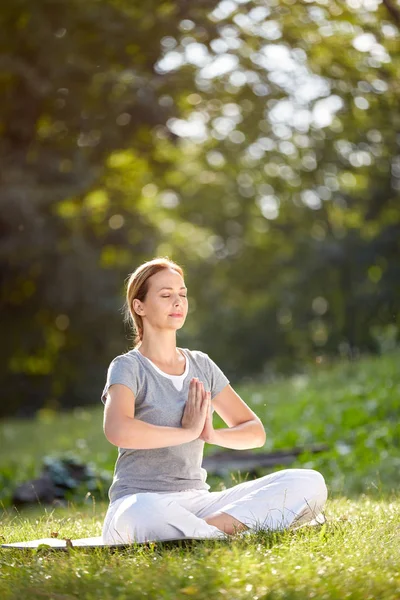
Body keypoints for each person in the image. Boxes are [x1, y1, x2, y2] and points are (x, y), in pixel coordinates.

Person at [101, 257, 327, 544]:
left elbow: (254, 433)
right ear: (139, 306)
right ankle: (226, 532)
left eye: (182, 294)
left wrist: (211, 434)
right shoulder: (128, 366)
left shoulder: (201, 365)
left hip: (198, 502)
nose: (178, 302)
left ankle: (203, 533)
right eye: (166, 295)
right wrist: (186, 433)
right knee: (141, 512)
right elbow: (118, 430)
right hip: (140, 501)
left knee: (307, 482)